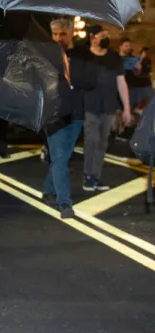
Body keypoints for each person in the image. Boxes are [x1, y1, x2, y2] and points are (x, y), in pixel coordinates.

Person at [42, 17, 96, 218]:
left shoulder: (83, 54)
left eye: (62, 34)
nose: (57, 38)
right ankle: (65, 203)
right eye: (54, 34)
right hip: (53, 114)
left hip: (76, 113)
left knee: (61, 157)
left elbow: (91, 81)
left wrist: (68, 73)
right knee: (60, 157)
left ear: (71, 33)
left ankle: (48, 190)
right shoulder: (47, 54)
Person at [83, 25, 131, 191]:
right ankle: (88, 175)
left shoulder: (114, 58)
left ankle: (96, 177)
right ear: (92, 37)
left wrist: (127, 108)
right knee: (92, 140)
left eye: (106, 35)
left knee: (103, 142)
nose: (105, 38)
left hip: (108, 107)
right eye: (102, 35)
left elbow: (121, 83)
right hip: (89, 105)